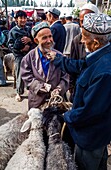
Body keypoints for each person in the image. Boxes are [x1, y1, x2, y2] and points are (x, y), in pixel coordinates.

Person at [45, 13, 111, 170]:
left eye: (84, 37)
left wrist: (64, 116)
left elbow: (89, 112)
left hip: (90, 137)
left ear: (95, 42)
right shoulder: (102, 55)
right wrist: (59, 59)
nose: (81, 41)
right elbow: (81, 65)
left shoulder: (105, 73)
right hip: (98, 134)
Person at [20, 22, 69, 110]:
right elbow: (27, 78)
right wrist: (40, 87)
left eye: (50, 36)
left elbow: (65, 77)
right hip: (36, 102)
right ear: (36, 40)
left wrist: (59, 88)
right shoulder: (28, 58)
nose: (49, 40)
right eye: (44, 38)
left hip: (56, 102)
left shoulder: (60, 56)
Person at [69, 3, 99, 100]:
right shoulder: (77, 41)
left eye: (88, 20)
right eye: (82, 21)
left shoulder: (105, 40)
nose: (84, 24)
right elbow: (72, 66)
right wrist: (72, 87)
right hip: (81, 89)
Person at [8, 10, 34, 102]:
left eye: (24, 18)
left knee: (31, 73)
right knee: (19, 74)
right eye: (21, 18)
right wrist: (20, 49)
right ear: (16, 19)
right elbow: (10, 45)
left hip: (29, 56)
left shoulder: (29, 29)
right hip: (19, 56)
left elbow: (35, 41)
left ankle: (31, 91)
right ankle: (19, 92)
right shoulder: (13, 31)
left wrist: (29, 40)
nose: (23, 20)